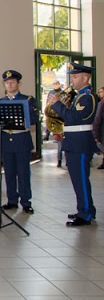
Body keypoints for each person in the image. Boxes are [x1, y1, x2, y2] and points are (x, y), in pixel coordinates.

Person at [48, 62, 97, 226]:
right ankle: (86, 208)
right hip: (74, 143)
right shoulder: (79, 96)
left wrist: (57, 104)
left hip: (80, 144)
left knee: (81, 179)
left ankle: (85, 214)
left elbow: (74, 118)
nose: (73, 80)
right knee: (77, 179)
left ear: (86, 78)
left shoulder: (88, 97)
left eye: (75, 77)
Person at [0, 70, 38, 215]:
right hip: (7, 141)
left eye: (12, 82)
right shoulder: (1, 102)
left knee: (23, 172)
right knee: (8, 172)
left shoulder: (27, 100)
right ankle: (12, 200)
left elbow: (34, 119)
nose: (9, 85)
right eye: (7, 82)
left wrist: (21, 118)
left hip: (21, 139)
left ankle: (26, 202)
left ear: (19, 83)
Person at [47, 80, 65, 166]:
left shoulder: (63, 93)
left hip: (62, 119)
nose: (55, 85)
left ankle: (66, 161)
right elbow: (48, 104)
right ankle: (59, 161)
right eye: (54, 84)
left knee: (63, 144)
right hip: (55, 120)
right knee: (60, 144)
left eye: (57, 84)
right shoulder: (51, 92)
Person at [94, 86, 104, 170]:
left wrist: (96, 135)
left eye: (101, 91)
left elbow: (98, 119)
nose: (100, 93)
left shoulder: (101, 103)